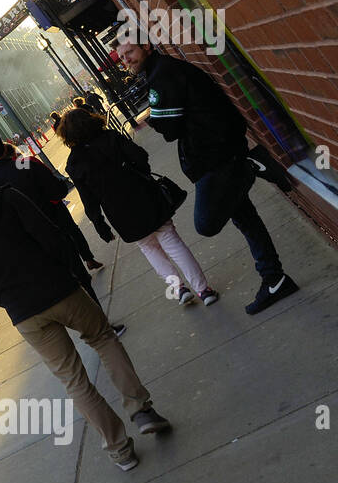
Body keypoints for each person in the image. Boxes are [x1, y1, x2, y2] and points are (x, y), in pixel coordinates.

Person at [0, 145, 171, 471]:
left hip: (24, 311)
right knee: (103, 339)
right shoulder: (5, 196)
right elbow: (51, 237)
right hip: (58, 287)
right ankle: (142, 409)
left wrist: (9, 299)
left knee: (74, 381)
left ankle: (119, 449)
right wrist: (67, 272)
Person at [118, 34, 298, 314]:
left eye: (130, 52)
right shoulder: (161, 71)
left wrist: (155, 118)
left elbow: (170, 130)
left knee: (206, 223)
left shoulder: (163, 74)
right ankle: (275, 279)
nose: (126, 59)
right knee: (247, 221)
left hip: (217, 158)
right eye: (122, 55)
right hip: (218, 152)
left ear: (147, 47)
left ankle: (250, 166)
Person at [59, 108, 218, 306]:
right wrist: (141, 173)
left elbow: (89, 200)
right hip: (144, 197)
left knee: (149, 249)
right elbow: (141, 156)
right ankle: (203, 290)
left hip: (120, 212)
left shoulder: (74, 163)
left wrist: (100, 225)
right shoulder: (110, 137)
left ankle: (179, 289)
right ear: (91, 120)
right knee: (171, 241)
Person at [0, 133, 105, 275]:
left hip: (29, 243)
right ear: (4, 148)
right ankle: (87, 260)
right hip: (53, 216)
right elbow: (57, 190)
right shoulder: (24, 164)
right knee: (73, 243)